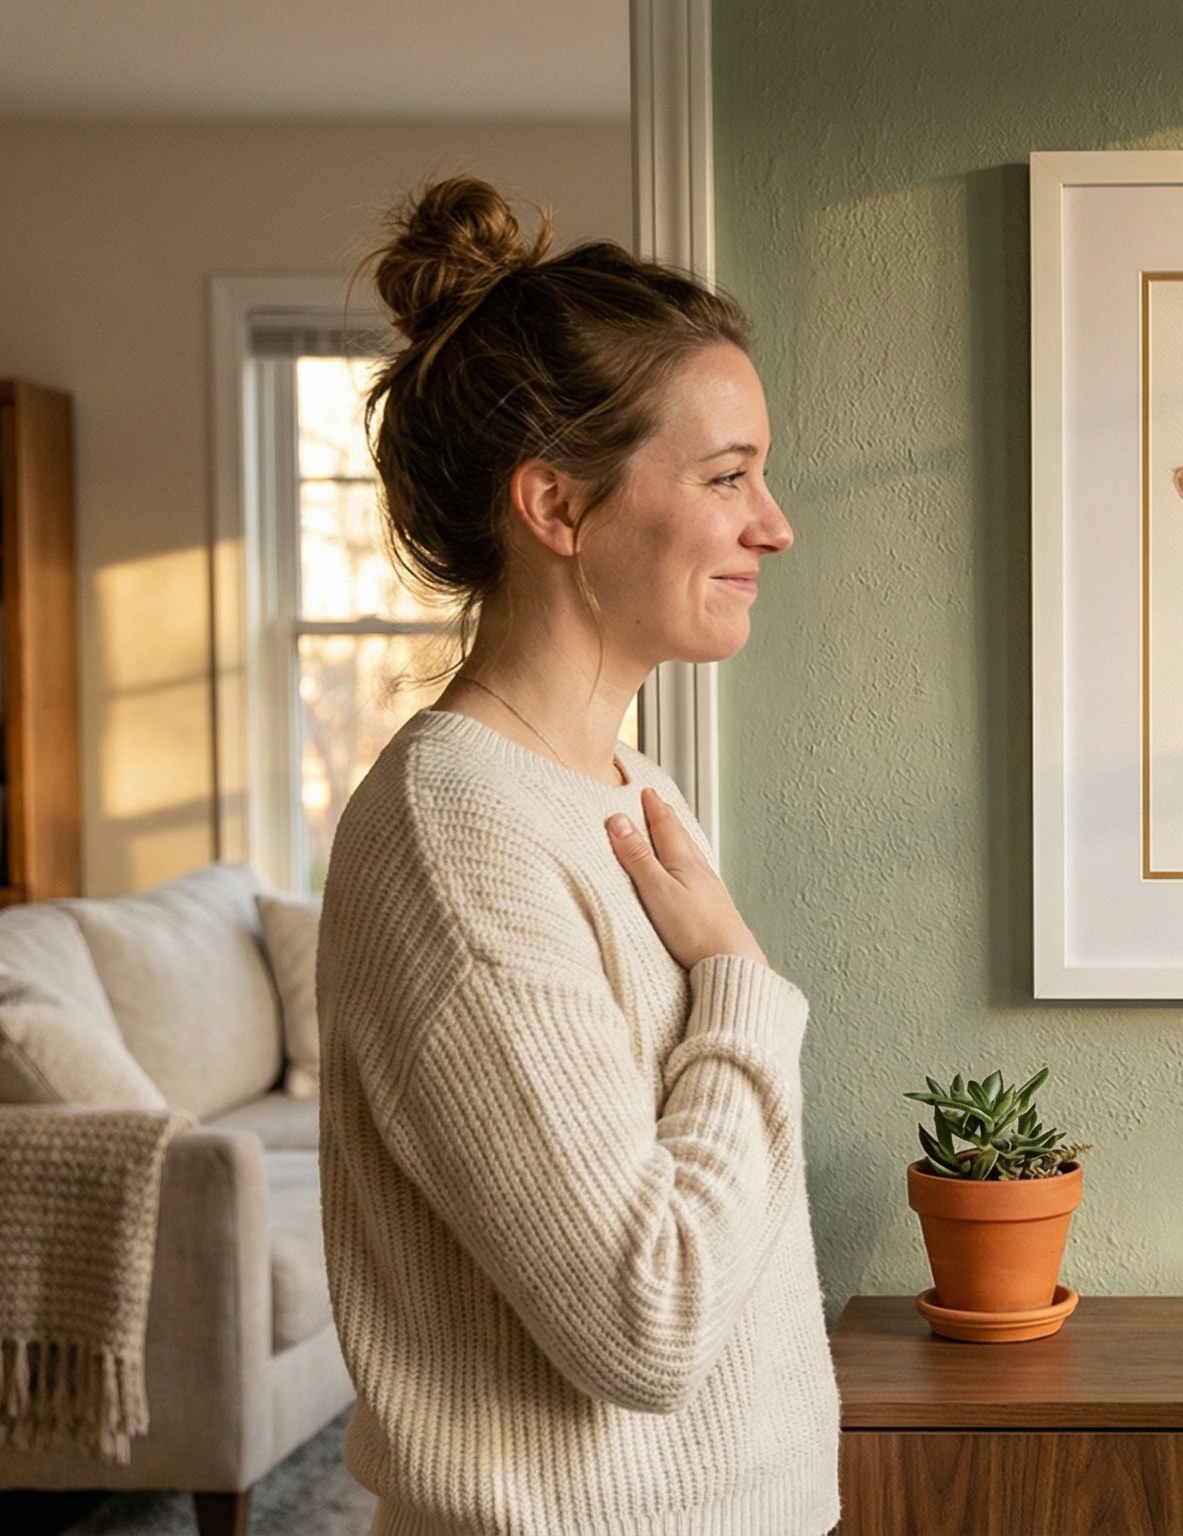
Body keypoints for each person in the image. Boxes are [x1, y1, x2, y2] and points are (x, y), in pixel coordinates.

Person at [314, 176, 838, 1535]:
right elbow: (644, 1317)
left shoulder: (624, 786)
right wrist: (740, 986)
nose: (773, 524)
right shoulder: (454, 836)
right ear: (555, 504)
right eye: (727, 476)